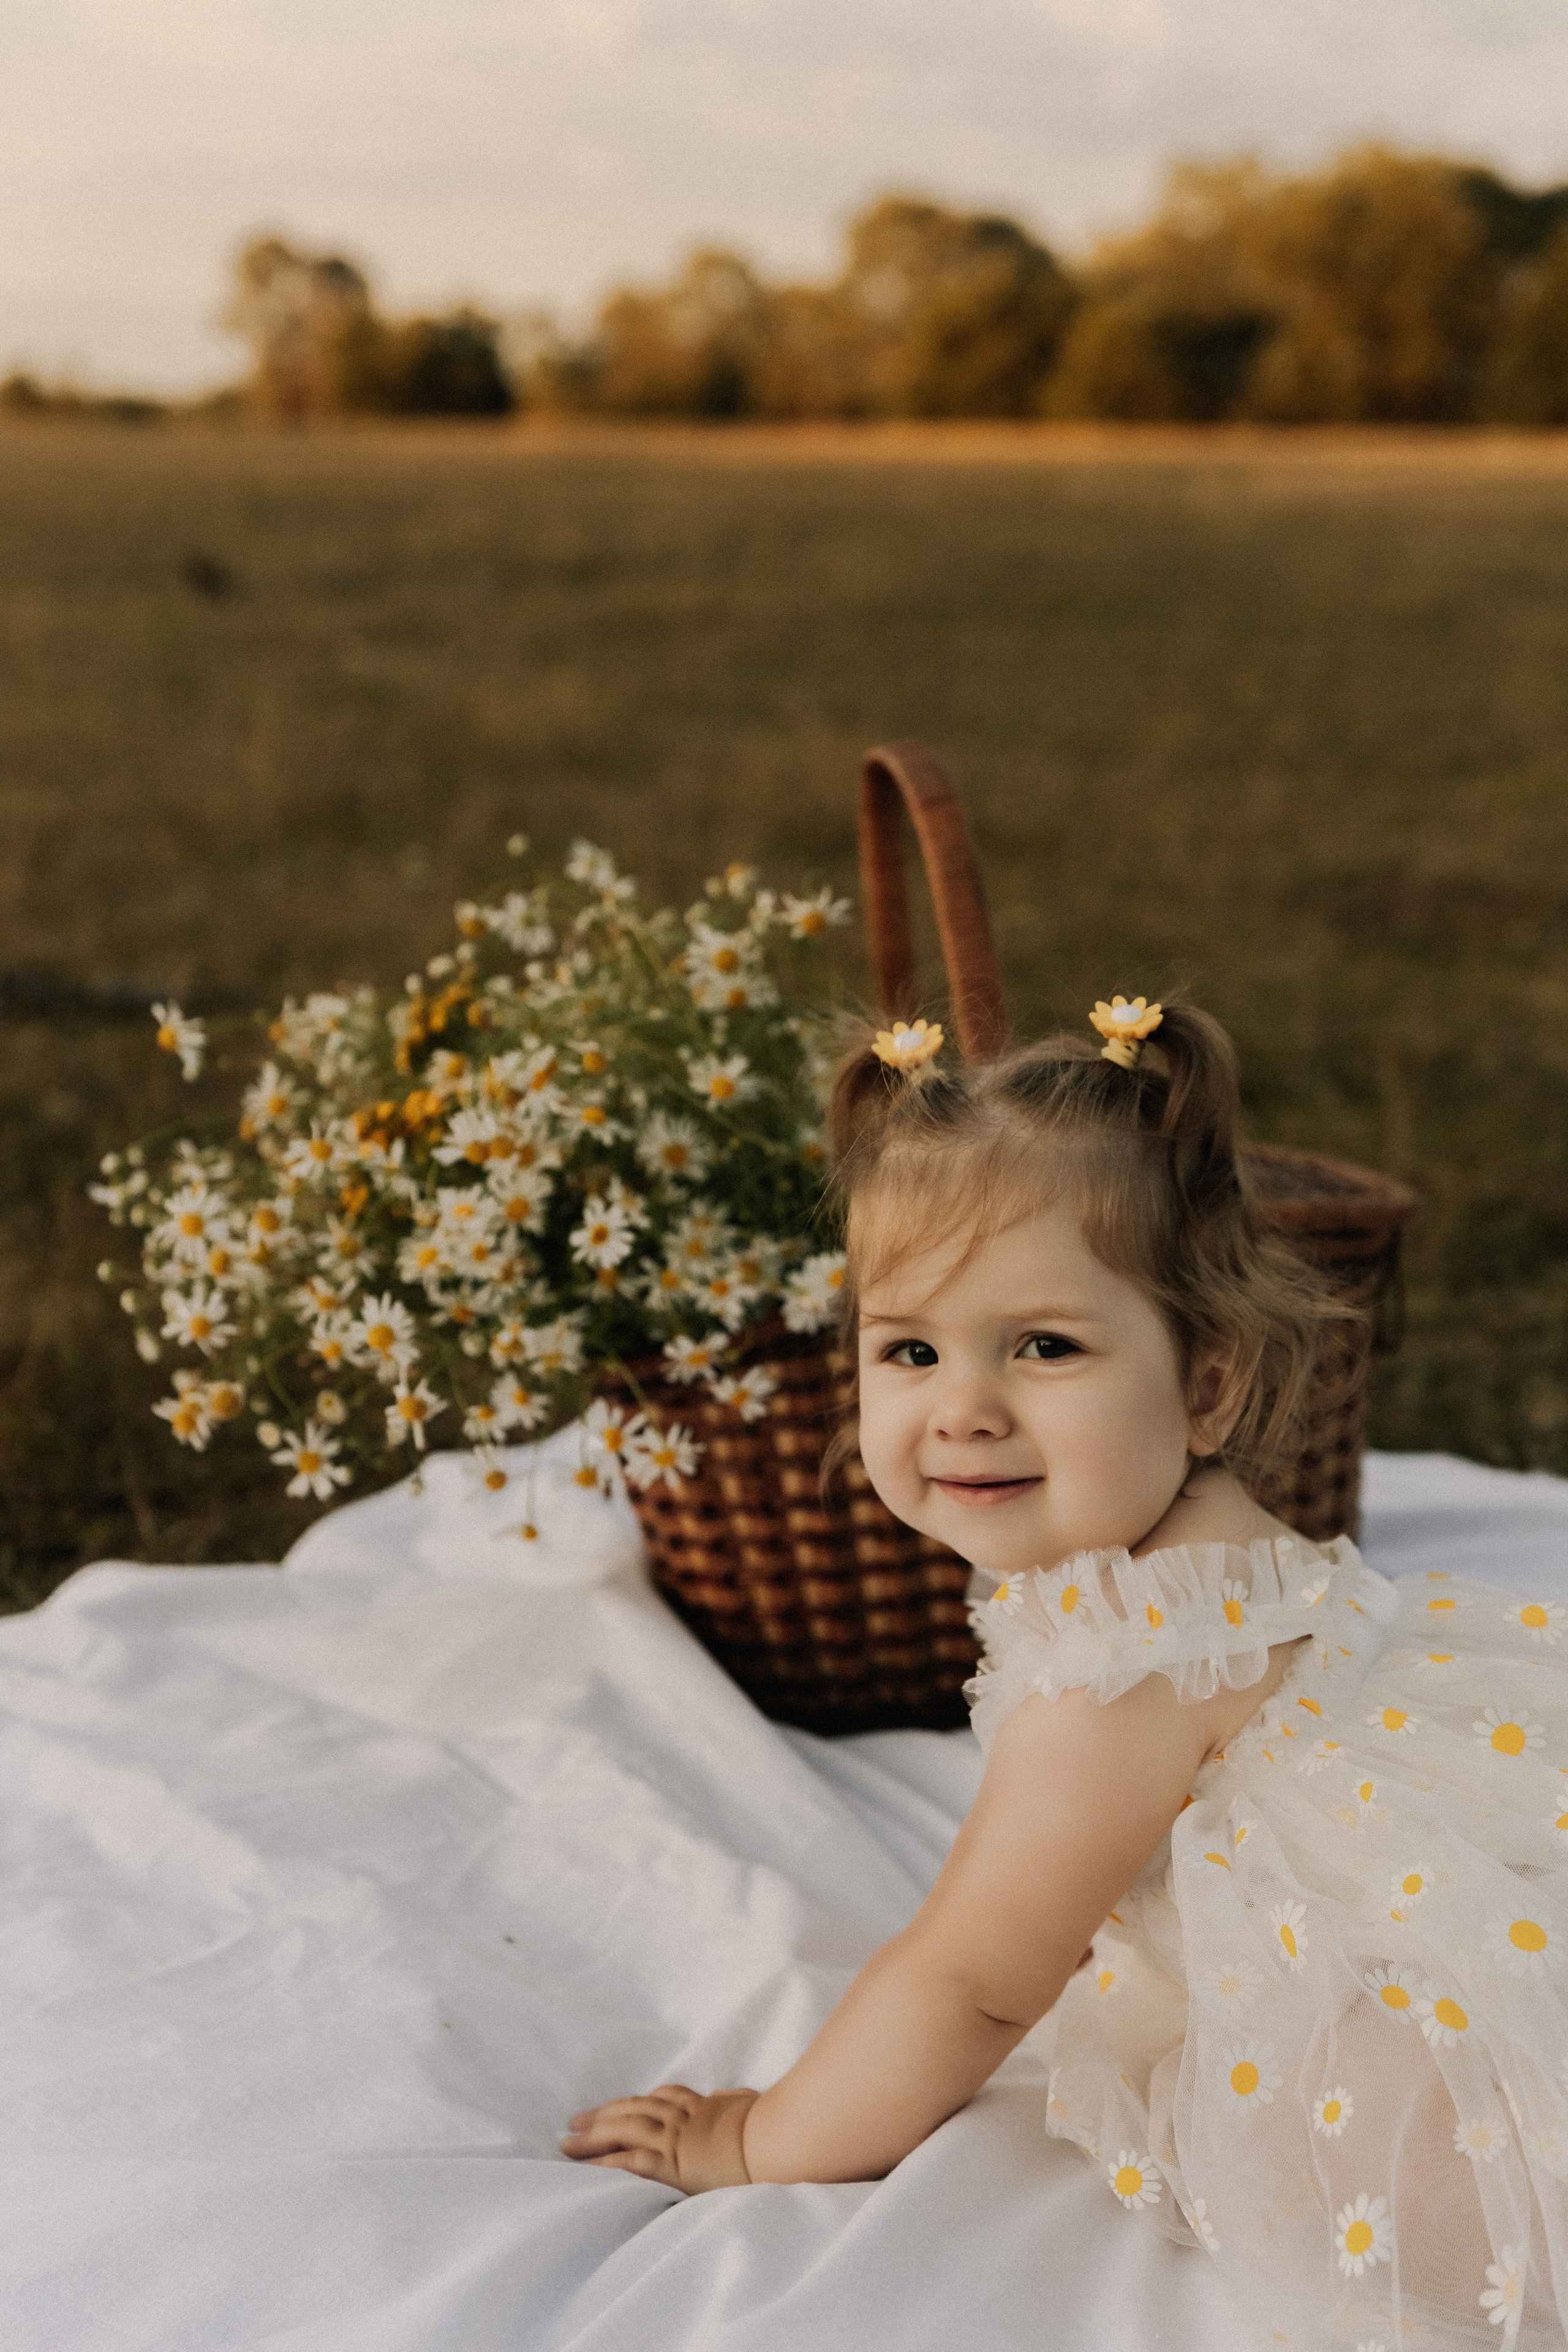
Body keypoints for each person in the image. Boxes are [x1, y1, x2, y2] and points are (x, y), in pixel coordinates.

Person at [562, 997, 1568, 2348]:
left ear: (1205, 1388)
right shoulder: (1209, 1547)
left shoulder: (1120, 1665)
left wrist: (758, 2140)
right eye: (908, 1348)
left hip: (1424, 2038)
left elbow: (971, 1979)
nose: (963, 1405)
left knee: (1408, 2170)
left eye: (1044, 1346)